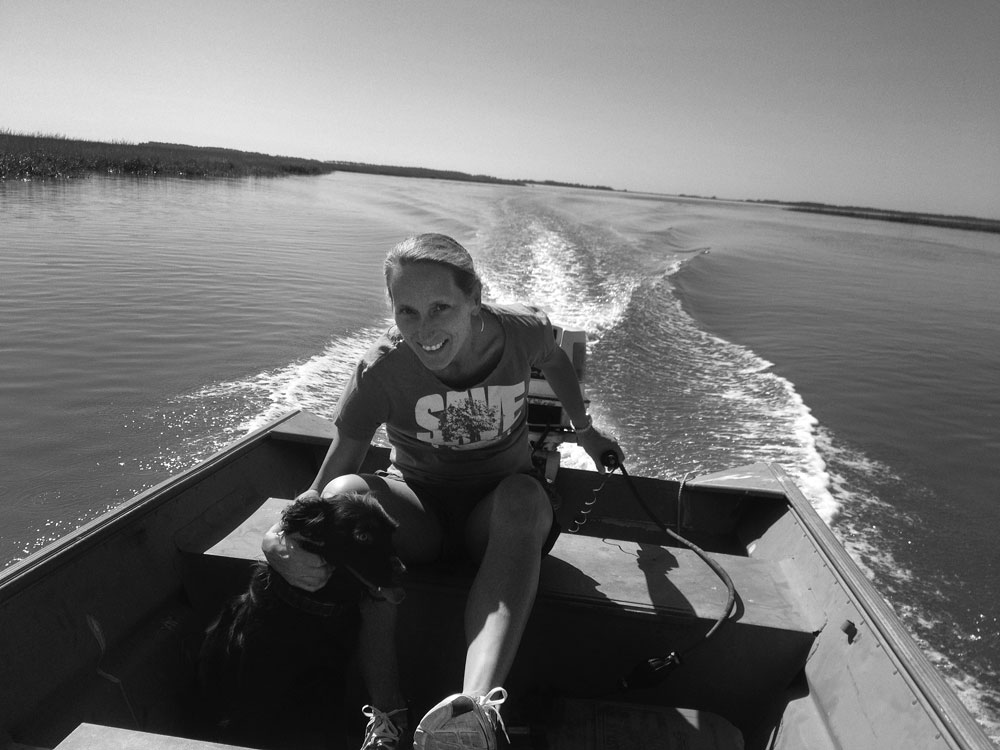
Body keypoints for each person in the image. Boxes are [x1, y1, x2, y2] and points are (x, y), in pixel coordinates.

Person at [262, 233, 622, 749]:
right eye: (407, 311)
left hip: (498, 514)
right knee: (344, 494)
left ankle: (471, 716)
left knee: (526, 495)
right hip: (419, 515)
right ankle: (386, 718)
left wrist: (584, 429)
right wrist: (276, 536)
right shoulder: (381, 371)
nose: (424, 330)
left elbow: (559, 361)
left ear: (475, 299)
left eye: (440, 308)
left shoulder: (523, 332)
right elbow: (328, 477)